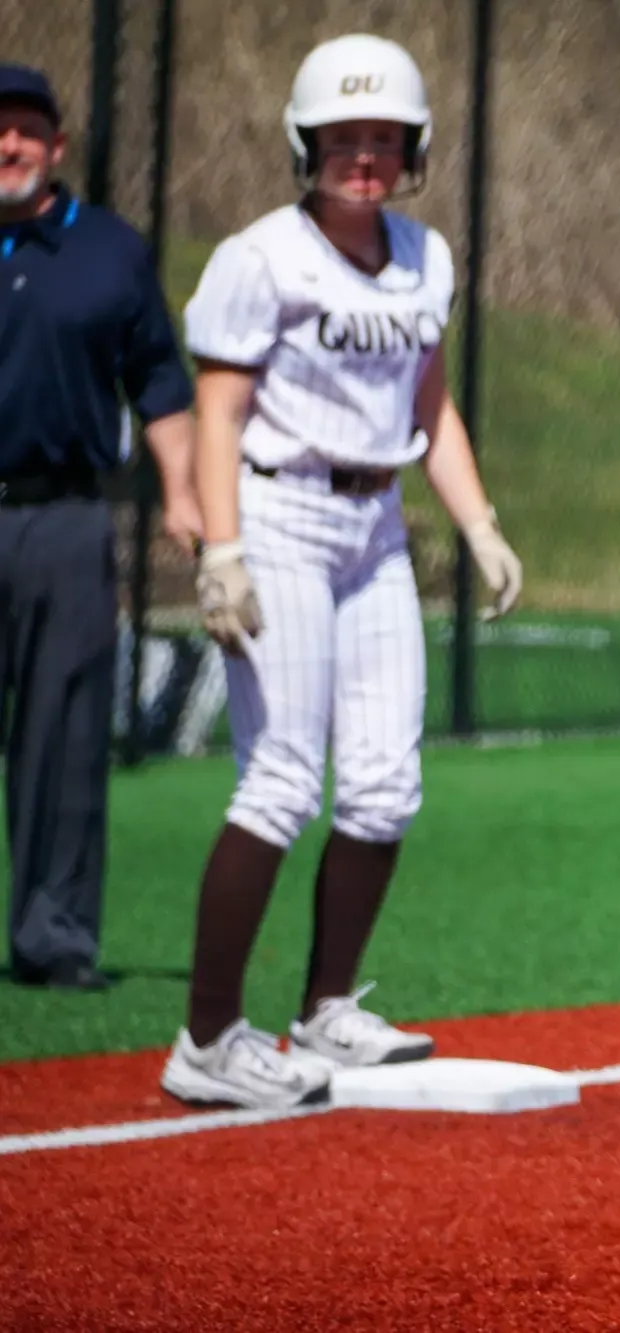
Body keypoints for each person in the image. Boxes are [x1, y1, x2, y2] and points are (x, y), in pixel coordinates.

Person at [159, 33, 524, 1109]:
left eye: (382, 139)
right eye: (341, 138)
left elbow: (430, 407)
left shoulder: (425, 256)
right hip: (275, 512)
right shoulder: (260, 256)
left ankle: (324, 1010)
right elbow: (219, 414)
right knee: (278, 778)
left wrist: (480, 522)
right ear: (303, 145)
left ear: (410, 147)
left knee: (382, 781)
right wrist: (219, 549)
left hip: (374, 527)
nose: (361, 156)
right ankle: (207, 1037)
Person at [0, 63, 203, 992]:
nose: (9, 146)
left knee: (66, 734)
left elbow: (159, 381)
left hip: (67, 517)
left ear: (57, 146)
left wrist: (183, 495)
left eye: (26, 130)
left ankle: (53, 936)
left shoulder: (111, 253)